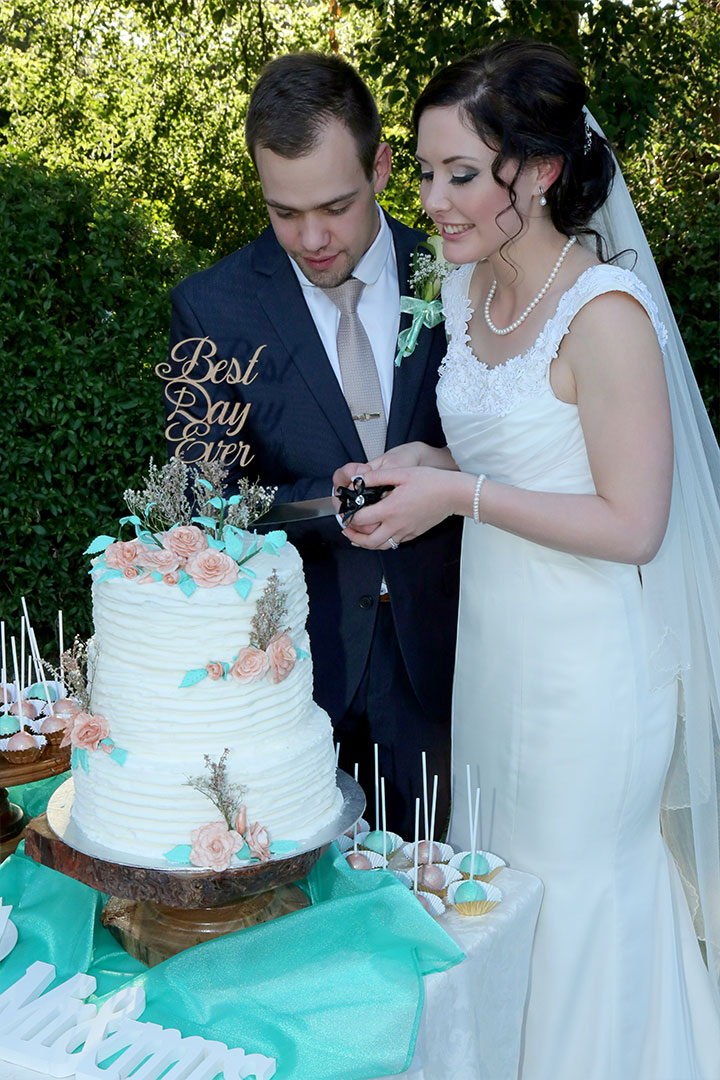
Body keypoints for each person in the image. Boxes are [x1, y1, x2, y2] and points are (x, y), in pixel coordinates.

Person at [338, 40, 720, 1080]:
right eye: (426, 172)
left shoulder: (607, 313)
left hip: (592, 674)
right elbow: (513, 456)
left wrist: (456, 497)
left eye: (462, 174)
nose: (433, 200)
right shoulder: (466, 290)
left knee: (577, 889)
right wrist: (422, 467)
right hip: (495, 653)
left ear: (542, 171)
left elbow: (634, 523)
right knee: (500, 885)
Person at [164, 52, 461, 840]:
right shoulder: (210, 308)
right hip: (298, 669)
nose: (313, 237)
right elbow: (206, 506)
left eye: (335, 205)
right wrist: (326, 506)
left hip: (457, 655)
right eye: (285, 212)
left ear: (382, 167)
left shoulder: (458, 272)